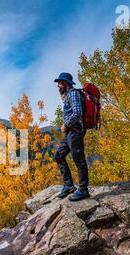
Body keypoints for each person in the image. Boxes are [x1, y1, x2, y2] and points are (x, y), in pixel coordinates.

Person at [54, 72, 90, 201]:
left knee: (78, 159)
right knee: (59, 155)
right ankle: (69, 185)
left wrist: (66, 124)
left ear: (64, 83)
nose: (58, 86)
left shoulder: (73, 93)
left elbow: (78, 112)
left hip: (75, 131)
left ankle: (83, 190)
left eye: (59, 84)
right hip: (70, 132)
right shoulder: (69, 95)